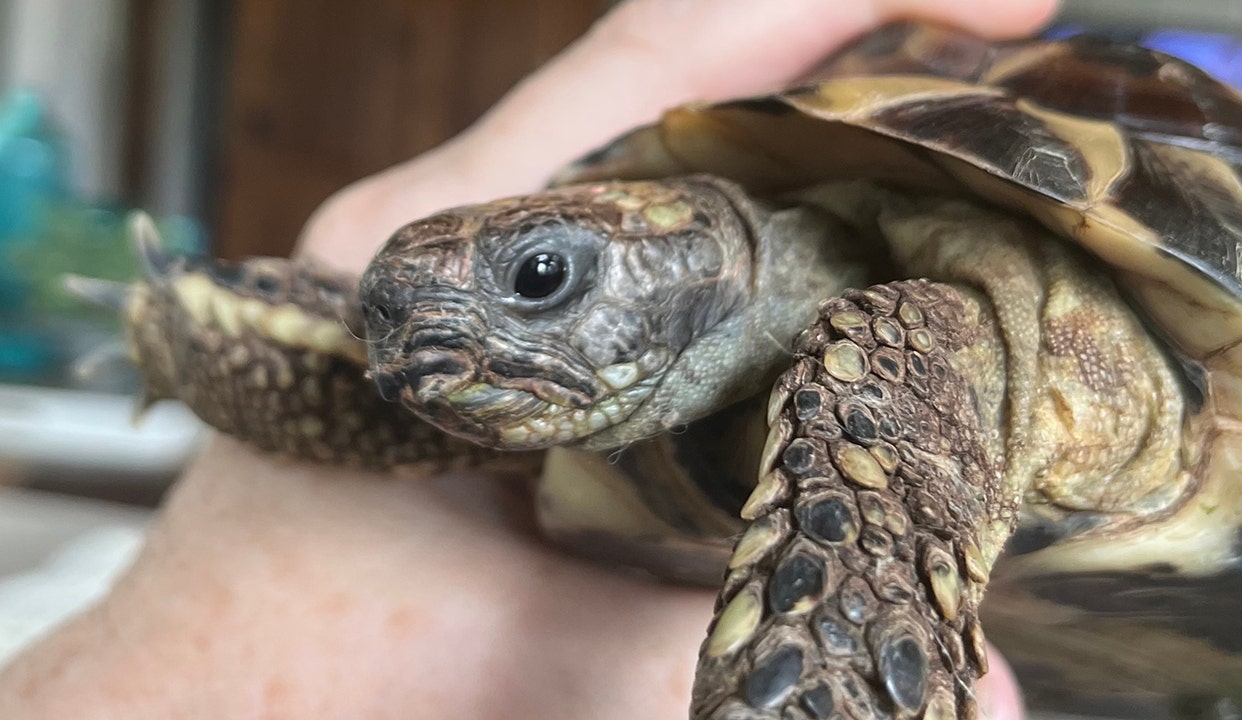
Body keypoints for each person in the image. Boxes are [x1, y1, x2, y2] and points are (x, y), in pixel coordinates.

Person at [0, 1, 1056, 717]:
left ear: (702, 255)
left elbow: (888, 370)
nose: (413, 343)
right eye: (385, 321)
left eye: (542, 280)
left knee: (872, 369)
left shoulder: (911, 345)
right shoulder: (503, 388)